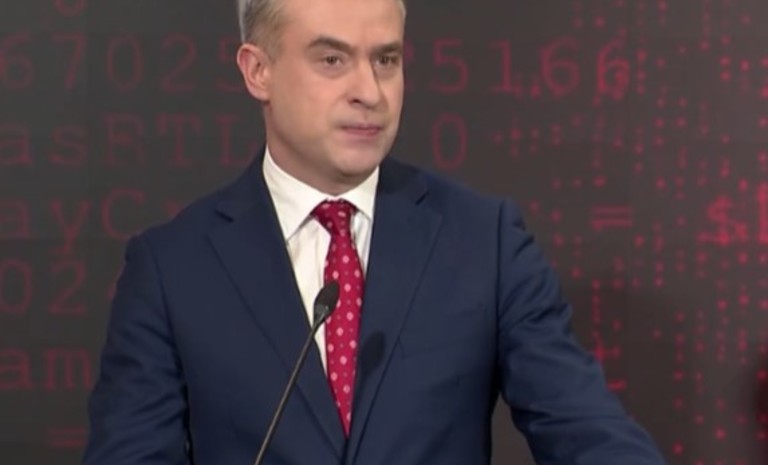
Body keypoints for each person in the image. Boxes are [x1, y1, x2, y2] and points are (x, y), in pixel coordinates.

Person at [82, 0, 669, 463]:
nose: (370, 91)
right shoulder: (171, 269)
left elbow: (586, 429)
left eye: (385, 60)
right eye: (332, 60)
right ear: (258, 71)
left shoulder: (484, 241)